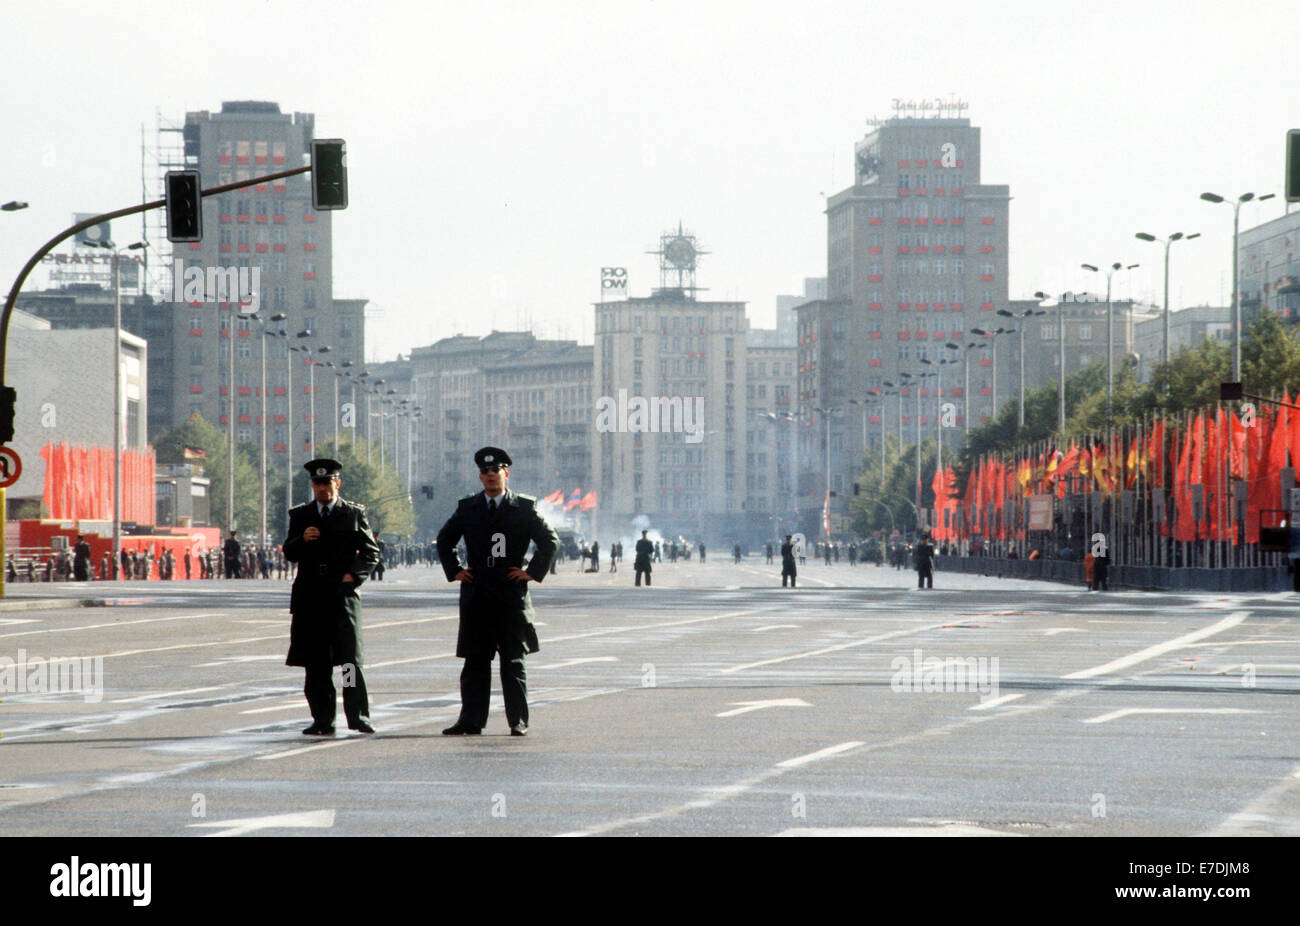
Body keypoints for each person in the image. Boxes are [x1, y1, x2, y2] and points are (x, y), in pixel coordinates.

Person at [436, 447, 557, 737]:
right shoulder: (468, 508)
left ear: (506, 473)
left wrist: (531, 572)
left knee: (513, 661)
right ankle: (471, 720)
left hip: (510, 594)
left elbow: (549, 541)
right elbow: (444, 539)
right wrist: (455, 570)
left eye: (496, 471)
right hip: (477, 593)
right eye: (485, 472)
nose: (490, 476)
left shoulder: (524, 508)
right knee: (475, 662)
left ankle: (518, 720)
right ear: (480, 476)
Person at [283, 458, 382, 736]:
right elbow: (289, 552)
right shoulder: (301, 515)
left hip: (341, 597)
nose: (322, 488)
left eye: (327, 482)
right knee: (316, 665)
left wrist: (354, 575)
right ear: (312, 485)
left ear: (337, 483)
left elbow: (371, 552)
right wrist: (302, 539)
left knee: (349, 661)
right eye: (317, 483)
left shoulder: (351, 514)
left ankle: (358, 716)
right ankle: (322, 719)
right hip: (311, 597)